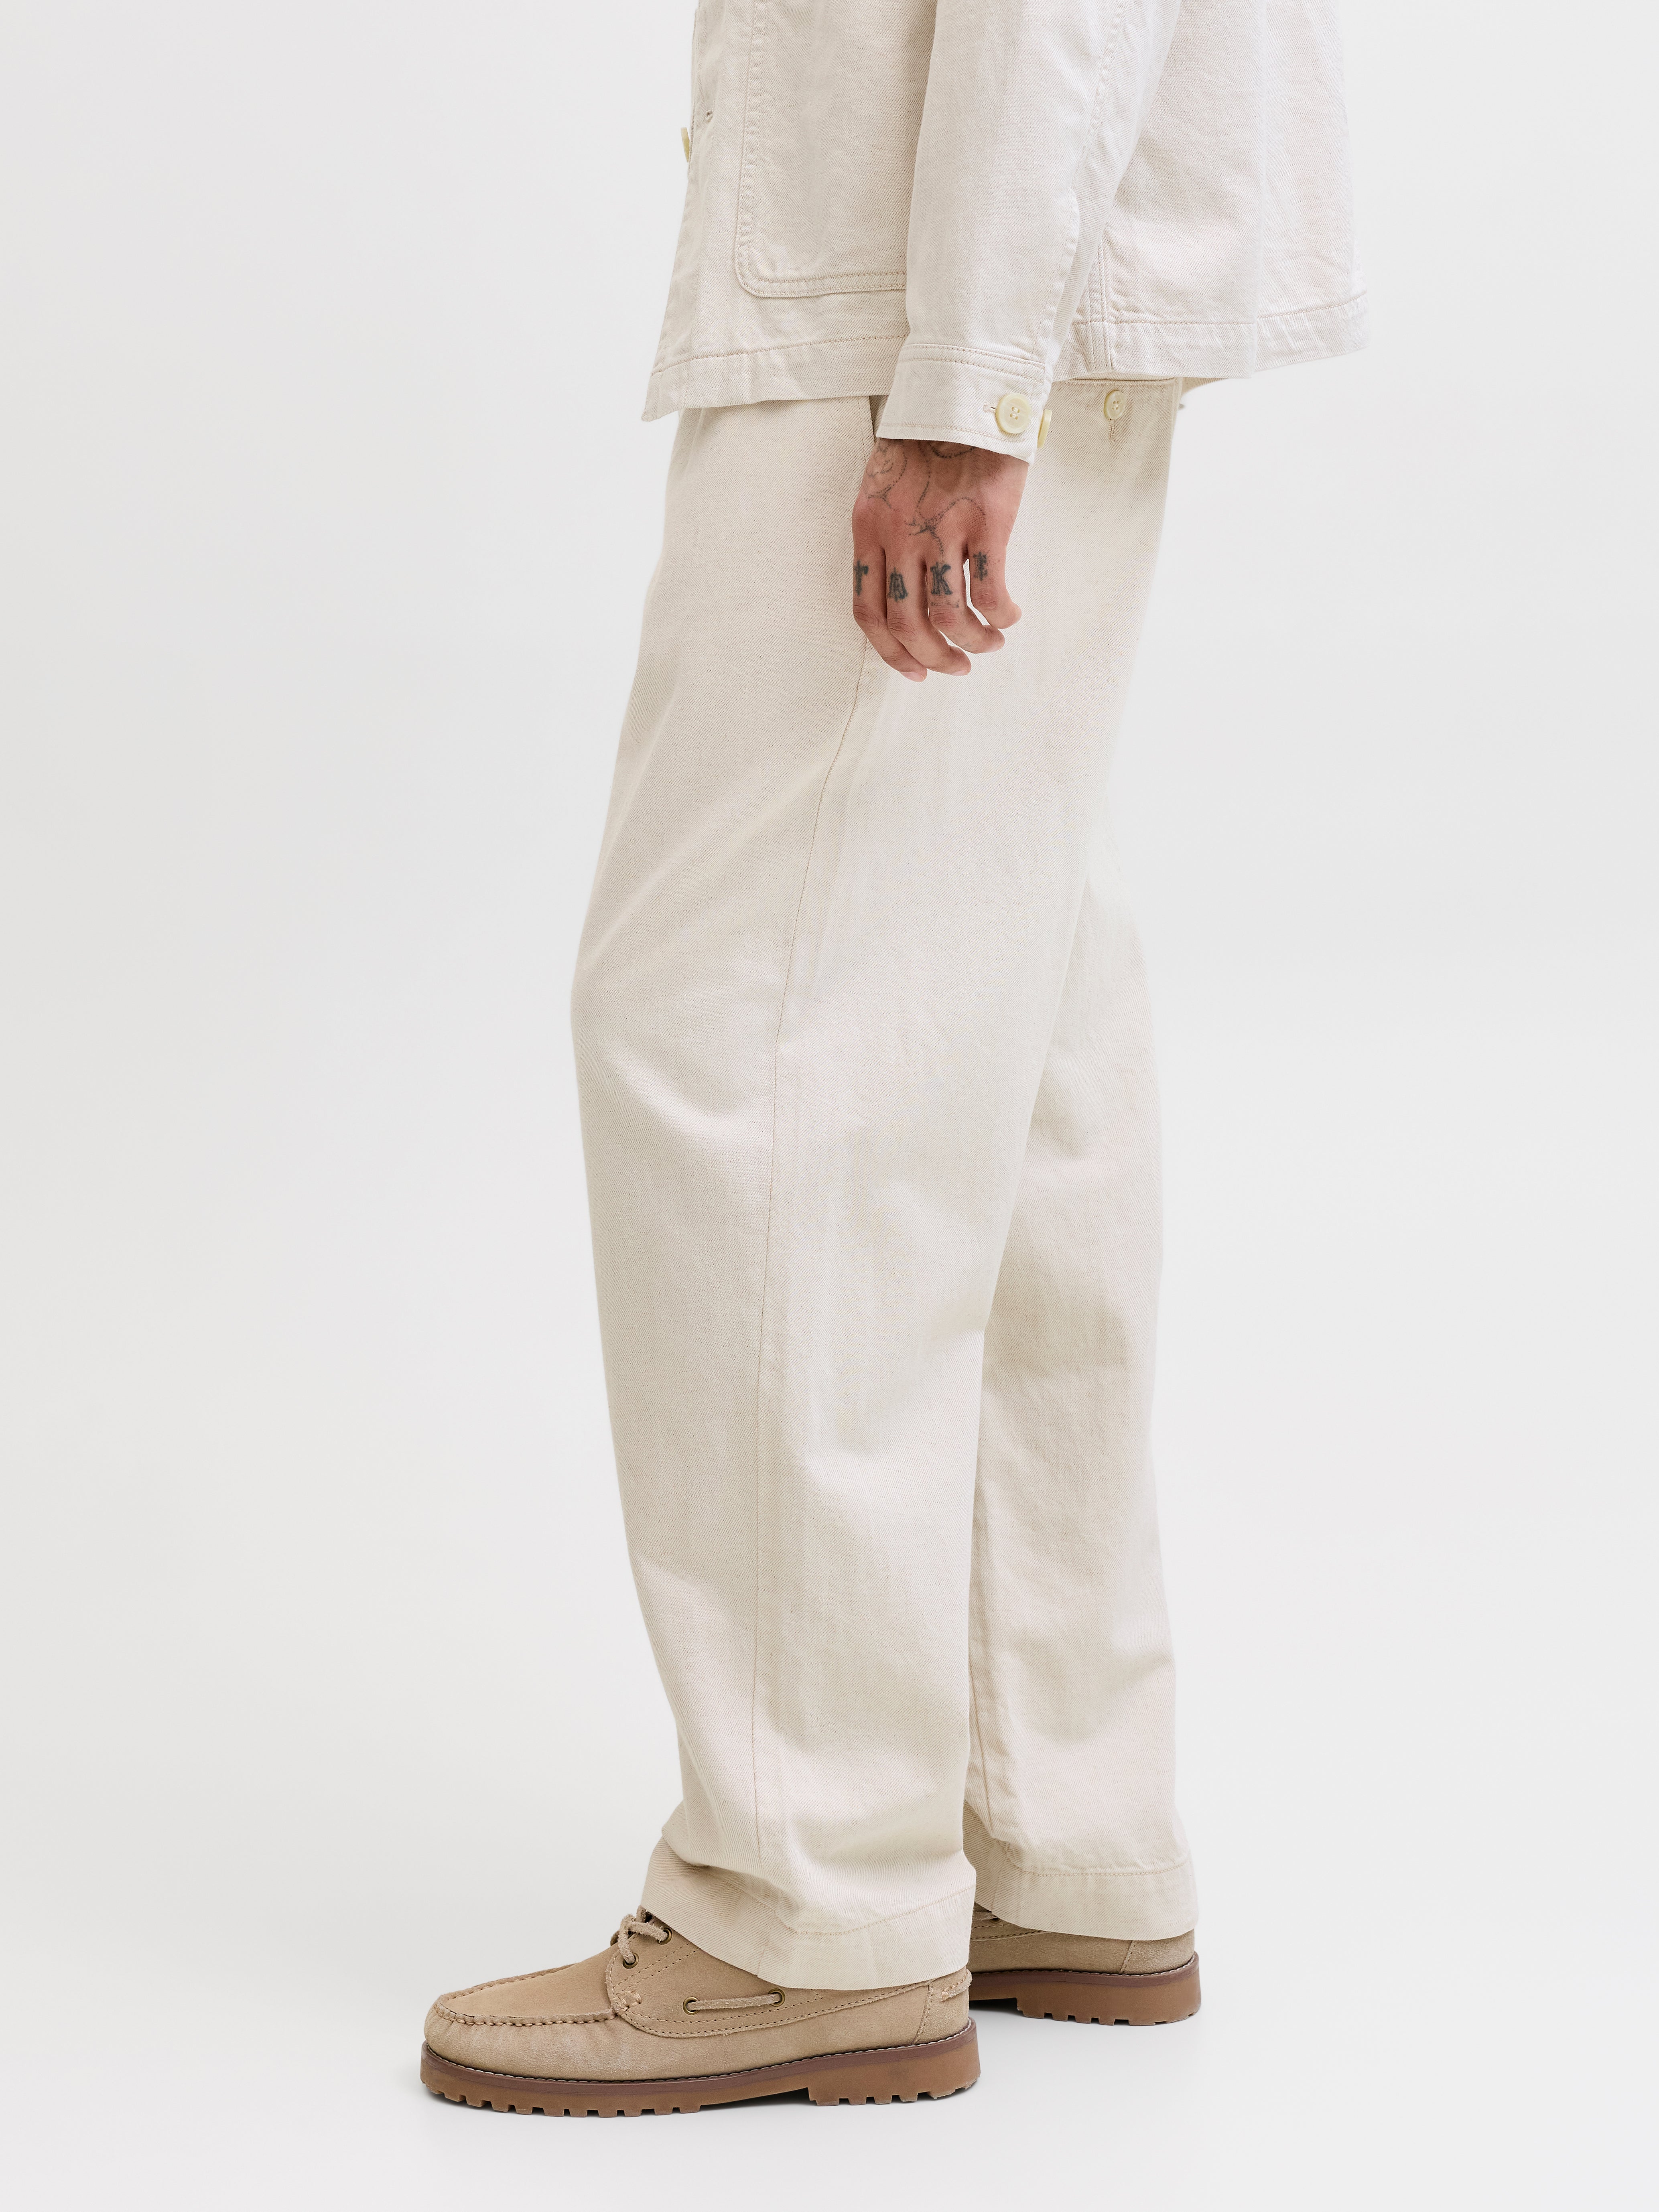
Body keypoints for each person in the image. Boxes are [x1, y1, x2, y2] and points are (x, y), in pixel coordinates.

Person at [420, 0, 1365, 2117]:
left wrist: (965, 379)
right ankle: (1052, 1835)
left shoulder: (944, 351)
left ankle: (810, 1899)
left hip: (913, 295)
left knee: (738, 1056)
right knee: (995, 1041)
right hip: (959, 260)